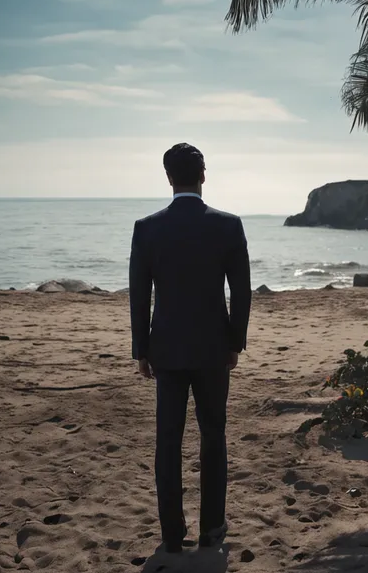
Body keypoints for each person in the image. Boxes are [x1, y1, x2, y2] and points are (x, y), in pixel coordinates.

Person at [129, 142, 251, 554]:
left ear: (168, 177)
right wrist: (235, 342)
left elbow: (138, 294)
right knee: (213, 436)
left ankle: (171, 534)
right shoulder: (228, 225)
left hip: (166, 349)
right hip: (214, 350)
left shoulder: (147, 228)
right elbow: (242, 291)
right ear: (203, 175)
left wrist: (141, 349)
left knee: (168, 440)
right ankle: (212, 530)